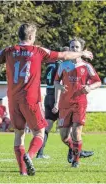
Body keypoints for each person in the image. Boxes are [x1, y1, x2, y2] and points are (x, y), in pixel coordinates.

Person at [0, 23, 93, 175]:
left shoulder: (8, 51)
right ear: (31, 36)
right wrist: (82, 53)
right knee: (40, 133)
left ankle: (23, 172)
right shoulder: (38, 51)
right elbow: (64, 55)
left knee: (19, 134)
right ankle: (30, 155)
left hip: (13, 100)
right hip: (31, 98)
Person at [36, 47, 94, 160]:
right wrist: (57, 102)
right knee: (71, 127)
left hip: (48, 95)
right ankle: (73, 153)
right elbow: (60, 84)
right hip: (58, 96)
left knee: (47, 126)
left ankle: (40, 152)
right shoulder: (64, 66)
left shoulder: (50, 65)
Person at [52, 37, 101, 167]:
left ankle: (76, 161)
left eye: (77, 47)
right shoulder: (63, 65)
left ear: (82, 50)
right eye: (72, 47)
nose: (74, 49)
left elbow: (98, 81)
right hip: (65, 103)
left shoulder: (86, 66)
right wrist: (60, 87)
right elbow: (56, 81)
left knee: (76, 132)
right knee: (63, 136)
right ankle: (75, 150)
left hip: (80, 103)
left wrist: (89, 87)